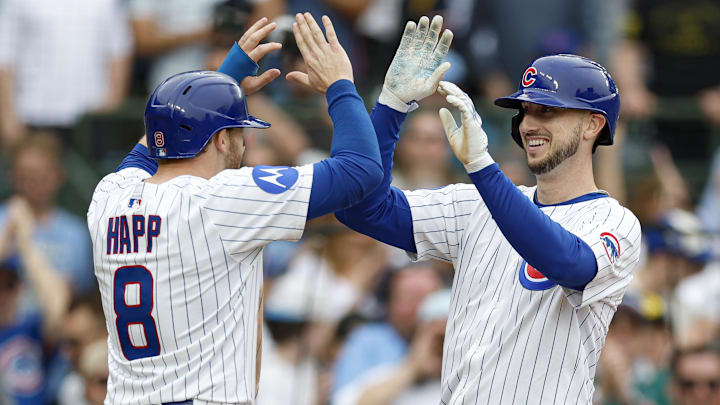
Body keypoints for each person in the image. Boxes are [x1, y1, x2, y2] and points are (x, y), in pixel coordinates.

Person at [336, 15, 642, 404]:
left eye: (547, 112)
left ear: (592, 124)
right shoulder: (478, 203)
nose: (529, 123)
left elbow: (569, 263)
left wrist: (483, 168)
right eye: (525, 111)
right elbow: (360, 207)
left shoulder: (615, 221)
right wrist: (391, 107)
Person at [86, 13, 383, 405]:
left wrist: (219, 83)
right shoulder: (223, 199)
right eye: (240, 131)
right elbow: (361, 171)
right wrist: (341, 85)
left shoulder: (109, 195)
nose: (244, 143)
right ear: (223, 139)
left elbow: (150, 148)